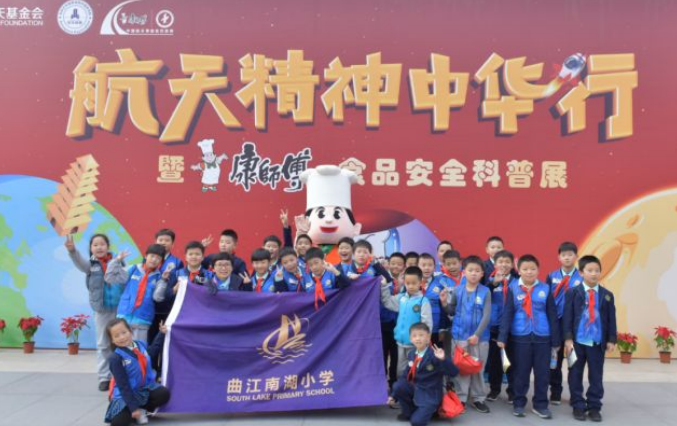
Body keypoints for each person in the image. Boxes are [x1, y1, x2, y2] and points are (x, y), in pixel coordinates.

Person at [498, 254, 560, 419]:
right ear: (519, 270)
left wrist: (556, 339)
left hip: (543, 337)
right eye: (525, 269)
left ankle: (540, 405)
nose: (529, 272)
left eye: (533, 269)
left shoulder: (545, 289)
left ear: (538, 270)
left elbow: (552, 315)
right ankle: (519, 403)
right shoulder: (513, 288)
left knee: (543, 374)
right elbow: (507, 314)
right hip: (520, 337)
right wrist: (502, 337)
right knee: (521, 373)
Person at [563, 255, 617, 422]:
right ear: (581, 272)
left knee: (596, 376)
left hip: (597, 343)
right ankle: (578, 405)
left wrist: (611, 339)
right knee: (575, 374)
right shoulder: (573, 292)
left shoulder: (607, 295)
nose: (594, 273)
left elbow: (611, 319)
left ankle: (594, 406)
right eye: (590, 270)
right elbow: (567, 316)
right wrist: (568, 338)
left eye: (597, 270)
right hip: (577, 343)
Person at [65, 233, 121, 391]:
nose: (99, 247)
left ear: (108, 246)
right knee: (103, 344)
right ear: (91, 248)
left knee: (121, 343)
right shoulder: (91, 265)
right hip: (102, 311)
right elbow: (80, 263)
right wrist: (72, 251)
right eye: (95, 245)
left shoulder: (118, 261)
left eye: (102, 244)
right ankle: (104, 377)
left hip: (120, 309)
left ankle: (120, 376)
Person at [440, 255, 491, 413]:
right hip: (459, 337)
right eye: (470, 270)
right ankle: (461, 398)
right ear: (464, 272)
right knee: (461, 368)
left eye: (477, 270)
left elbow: (486, 315)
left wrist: (477, 334)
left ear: (482, 273)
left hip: (480, 338)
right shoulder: (458, 290)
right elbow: (451, 311)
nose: (473, 273)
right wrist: (444, 302)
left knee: (478, 369)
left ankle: (478, 398)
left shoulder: (485, 291)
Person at [104, 318, 170, 426]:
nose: (122, 337)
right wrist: (133, 408)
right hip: (125, 395)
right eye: (116, 336)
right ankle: (134, 412)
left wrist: (161, 334)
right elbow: (123, 386)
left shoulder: (140, 345)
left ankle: (143, 411)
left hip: (143, 389)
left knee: (163, 393)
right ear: (112, 340)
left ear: (130, 331)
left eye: (124, 332)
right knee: (118, 423)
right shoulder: (116, 358)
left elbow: (152, 352)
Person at [391, 322, 459, 426]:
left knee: (416, 422)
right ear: (411, 339)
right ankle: (409, 412)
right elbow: (405, 375)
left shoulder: (435, 354)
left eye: (421, 335)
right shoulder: (412, 353)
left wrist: (443, 359)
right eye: (414, 336)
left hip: (430, 395)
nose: (418, 338)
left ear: (428, 338)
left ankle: (433, 410)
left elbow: (454, 372)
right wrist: (393, 396)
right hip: (416, 389)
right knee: (398, 386)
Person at [546, 241, 583, 405]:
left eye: (570, 255)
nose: (567, 258)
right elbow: (547, 300)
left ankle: (576, 394)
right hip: (556, 323)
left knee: (574, 361)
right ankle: (555, 392)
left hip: (575, 325)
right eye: (564, 255)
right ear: (558, 257)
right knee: (555, 359)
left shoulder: (581, 277)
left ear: (576, 257)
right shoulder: (551, 276)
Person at [106, 244, 166, 343]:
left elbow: (157, 298)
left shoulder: (159, 277)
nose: (154, 260)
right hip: (124, 316)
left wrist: (163, 281)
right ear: (146, 256)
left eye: (158, 258)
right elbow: (110, 277)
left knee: (139, 348)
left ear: (161, 261)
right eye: (152, 256)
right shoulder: (133, 269)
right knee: (123, 347)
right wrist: (117, 260)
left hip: (142, 319)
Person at [485, 249, 517, 403]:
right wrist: (493, 283)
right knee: (494, 361)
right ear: (495, 264)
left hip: (513, 327)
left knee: (512, 360)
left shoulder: (518, 280)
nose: (504, 265)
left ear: (512, 264)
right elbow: (483, 295)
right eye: (500, 262)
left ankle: (512, 391)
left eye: (507, 262)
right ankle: (494, 389)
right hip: (495, 327)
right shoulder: (490, 281)